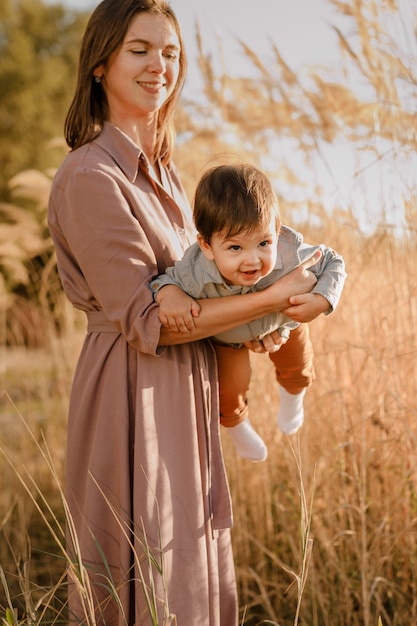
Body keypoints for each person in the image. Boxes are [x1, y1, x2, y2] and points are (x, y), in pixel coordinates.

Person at [47, 1, 320, 624]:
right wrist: (275, 297)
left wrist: (251, 324)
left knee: (189, 553)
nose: (158, 65)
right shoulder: (91, 175)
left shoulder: (169, 178)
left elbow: (202, 296)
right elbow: (154, 319)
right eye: (140, 50)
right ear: (99, 64)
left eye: (170, 52)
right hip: (131, 387)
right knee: (139, 556)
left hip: (189, 383)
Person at [150, 163, 347, 461]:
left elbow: (333, 261)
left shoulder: (289, 252)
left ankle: (294, 395)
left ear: (277, 232)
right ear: (206, 245)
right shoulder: (195, 271)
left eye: (263, 243)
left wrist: (322, 299)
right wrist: (169, 294)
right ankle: (238, 426)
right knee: (228, 391)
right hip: (229, 338)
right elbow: (161, 281)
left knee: (299, 364)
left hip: (282, 322)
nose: (252, 260)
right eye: (235, 248)